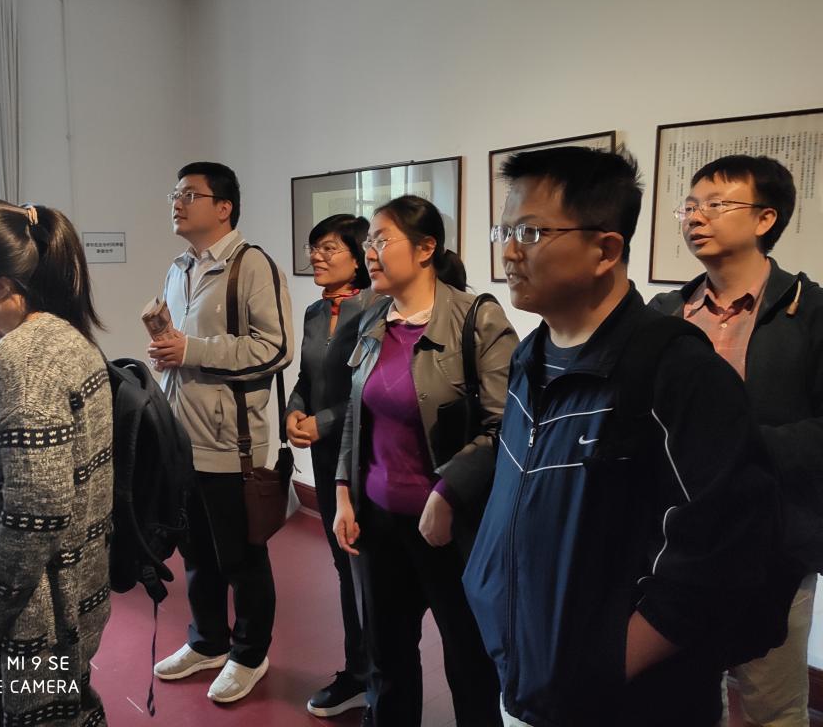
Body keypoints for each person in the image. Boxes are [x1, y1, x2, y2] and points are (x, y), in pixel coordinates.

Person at [464, 146, 789, 727]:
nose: (509, 251)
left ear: (606, 250)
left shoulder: (677, 371)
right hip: (524, 667)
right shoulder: (529, 357)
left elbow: (722, 553)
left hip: (620, 697)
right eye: (505, 231)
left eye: (531, 233)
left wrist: (605, 666)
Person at [649, 155, 823, 727]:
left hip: (774, 542)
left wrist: (734, 451)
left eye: (717, 204)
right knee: (687, 694)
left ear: (765, 218)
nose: (696, 217)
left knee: (775, 706)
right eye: (690, 206)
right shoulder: (665, 313)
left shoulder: (812, 312)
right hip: (676, 543)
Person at [332, 194, 516, 727]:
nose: (369, 252)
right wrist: (343, 492)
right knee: (386, 657)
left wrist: (447, 492)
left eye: (381, 239)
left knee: (469, 660)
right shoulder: (373, 316)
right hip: (377, 521)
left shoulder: (476, 318)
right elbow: (355, 411)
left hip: (451, 529)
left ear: (426, 248)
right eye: (367, 241)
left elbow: (505, 426)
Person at [0, 197, 113, 726]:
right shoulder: (56, 335)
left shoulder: (24, 360)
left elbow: (41, 507)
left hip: (24, 603)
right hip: (59, 588)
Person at [150, 162, 293, 704]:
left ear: (224, 206)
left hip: (231, 441)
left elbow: (276, 348)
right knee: (196, 554)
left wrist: (192, 350)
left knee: (241, 557)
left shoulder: (251, 265)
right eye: (176, 193)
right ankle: (207, 641)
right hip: (182, 438)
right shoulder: (179, 268)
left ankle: (249, 653)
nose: (177, 202)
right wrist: (170, 352)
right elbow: (185, 346)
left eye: (190, 194)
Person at [286, 214, 376, 718]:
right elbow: (306, 376)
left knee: (368, 566)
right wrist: (294, 410)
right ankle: (358, 670)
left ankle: (378, 674)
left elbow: (369, 390)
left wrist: (321, 421)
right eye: (313, 248)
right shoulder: (316, 312)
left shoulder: (376, 308)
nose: (316, 256)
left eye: (328, 248)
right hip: (324, 456)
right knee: (345, 565)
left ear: (357, 257)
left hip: (363, 454)